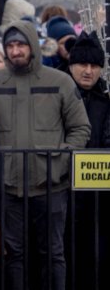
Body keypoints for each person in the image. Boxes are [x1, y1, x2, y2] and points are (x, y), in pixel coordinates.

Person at [0, 20, 90, 290]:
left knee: (53, 253)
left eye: (20, 44)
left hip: (52, 184)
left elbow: (80, 127)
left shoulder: (60, 81)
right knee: (13, 254)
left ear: (32, 45)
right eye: (10, 45)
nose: (15, 51)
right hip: (8, 185)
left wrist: (64, 157)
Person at [63, 31, 110, 289]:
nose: (88, 71)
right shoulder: (60, 96)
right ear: (71, 66)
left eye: (94, 66)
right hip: (65, 187)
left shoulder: (105, 100)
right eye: (83, 64)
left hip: (98, 191)